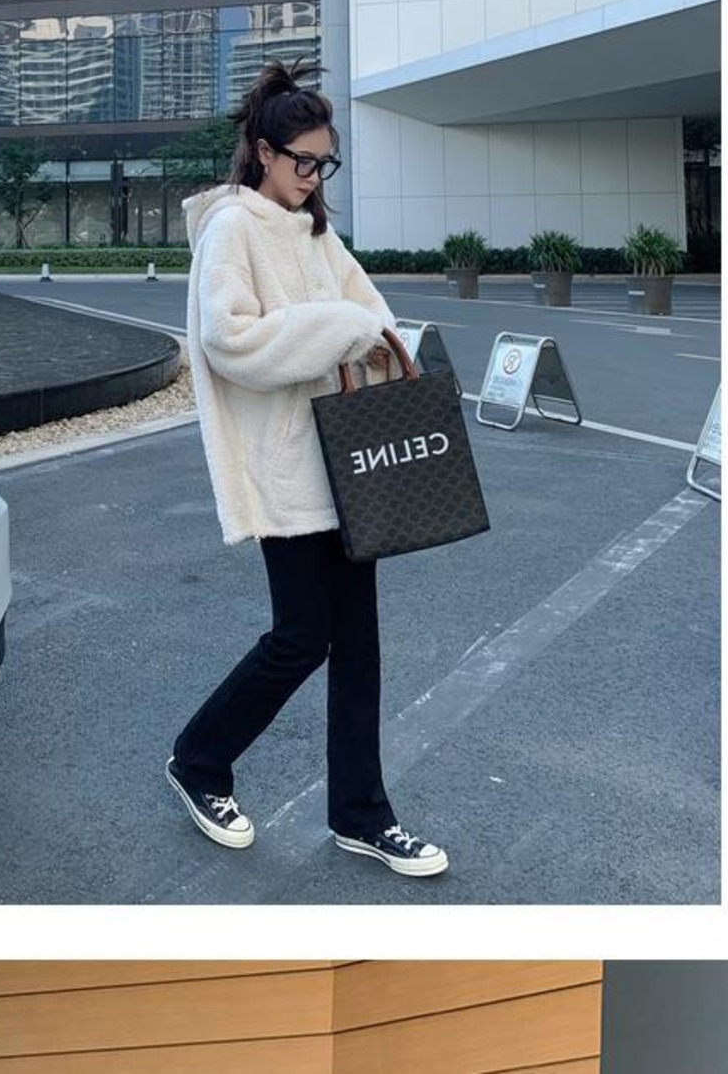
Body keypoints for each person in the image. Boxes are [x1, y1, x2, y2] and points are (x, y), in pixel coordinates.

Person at [165, 58, 448, 877]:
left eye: (326, 163)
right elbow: (229, 339)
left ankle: (362, 814)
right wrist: (333, 328)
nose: (315, 176)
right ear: (263, 151)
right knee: (300, 637)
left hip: (348, 462)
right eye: (304, 161)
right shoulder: (232, 227)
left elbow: (374, 315)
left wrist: (359, 330)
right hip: (286, 466)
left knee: (358, 644)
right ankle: (199, 758)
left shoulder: (316, 231)